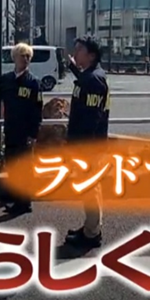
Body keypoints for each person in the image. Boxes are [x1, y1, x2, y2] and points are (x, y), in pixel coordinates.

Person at [0, 42, 43, 215]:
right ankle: (16, 198)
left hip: (26, 133)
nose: (26, 59)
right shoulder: (6, 79)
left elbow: (37, 111)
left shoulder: (33, 83)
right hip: (11, 130)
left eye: (28, 56)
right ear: (14, 58)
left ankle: (24, 203)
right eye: (23, 56)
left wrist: (33, 134)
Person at [64, 36, 110, 249]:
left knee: (90, 188)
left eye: (79, 50)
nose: (75, 53)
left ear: (91, 55)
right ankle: (91, 227)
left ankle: (92, 233)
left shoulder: (94, 80)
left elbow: (92, 117)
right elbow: (85, 82)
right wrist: (74, 68)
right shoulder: (90, 76)